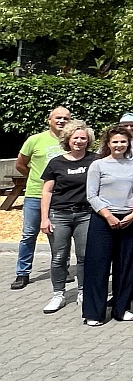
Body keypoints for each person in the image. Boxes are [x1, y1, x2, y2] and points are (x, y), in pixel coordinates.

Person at [82, 126, 133, 325]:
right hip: (102, 219)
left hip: (128, 219)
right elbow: (91, 195)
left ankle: (121, 308)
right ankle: (94, 313)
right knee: (98, 265)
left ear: (128, 144)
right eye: (115, 141)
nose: (119, 145)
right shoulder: (98, 165)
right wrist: (108, 216)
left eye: (123, 142)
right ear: (108, 143)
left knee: (125, 265)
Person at [40, 120, 97, 313]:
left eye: (83, 138)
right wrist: (44, 218)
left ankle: (83, 291)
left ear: (88, 141)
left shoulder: (95, 161)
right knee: (58, 257)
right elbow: (47, 191)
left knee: (83, 256)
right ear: (68, 140)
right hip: (59, 214)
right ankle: (58, 294)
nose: (79, 141)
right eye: (76, 138)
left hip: (85, 214)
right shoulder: (56, 162)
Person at [12, 106, 70, 290]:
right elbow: (20, 164)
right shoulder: (35, 140)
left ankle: (62, 270)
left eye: (65, 118)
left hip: (61, 197)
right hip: (35, 194)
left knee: (59, 237)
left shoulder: (70, 141)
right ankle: (22, 273)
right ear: (49, 120)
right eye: (57, 117)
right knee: (29, 235)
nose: (61, 121)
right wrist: (37, 176)